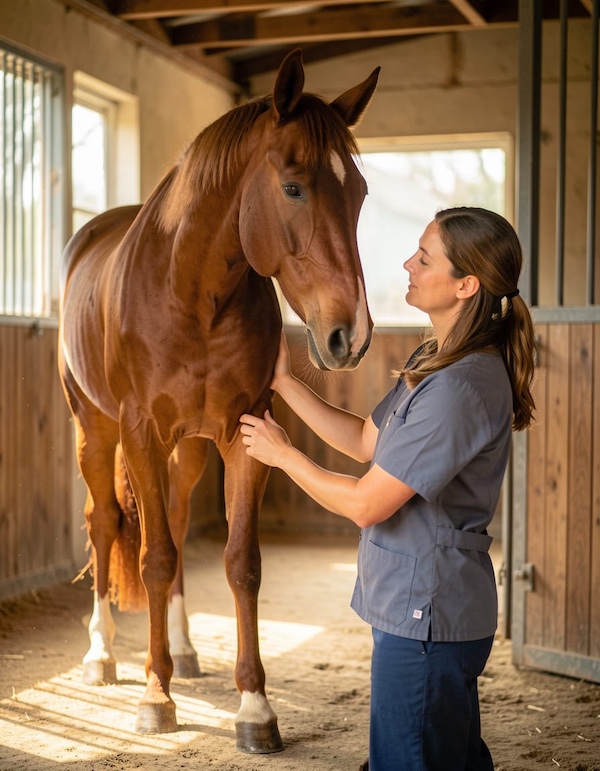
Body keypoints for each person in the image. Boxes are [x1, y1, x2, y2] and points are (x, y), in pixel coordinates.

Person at [239, 206, 536, 771]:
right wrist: (283, 382)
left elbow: (366, 503)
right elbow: (364, 440)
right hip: (424, 611)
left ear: (465, 284)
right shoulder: (438, 359)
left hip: (429, 614)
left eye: (424, 258)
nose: (408, 264)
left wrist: (283, 457)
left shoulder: (459, 387)